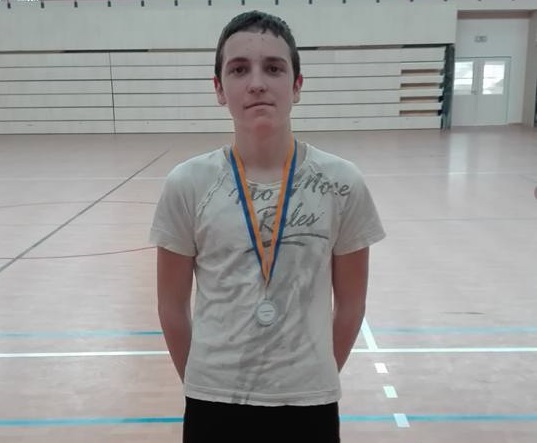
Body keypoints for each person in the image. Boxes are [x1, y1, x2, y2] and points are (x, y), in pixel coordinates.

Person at [149, 10, 386, 443]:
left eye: (273, 68)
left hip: (310, 403)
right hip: (212, 402)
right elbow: (171, 307)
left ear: (297, 85)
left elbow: (351, 306)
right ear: (219, 88)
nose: (257, 82)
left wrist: (313, 375)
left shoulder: (342, 183)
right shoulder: (188, 184)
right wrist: (204, 383)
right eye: (239, 69)